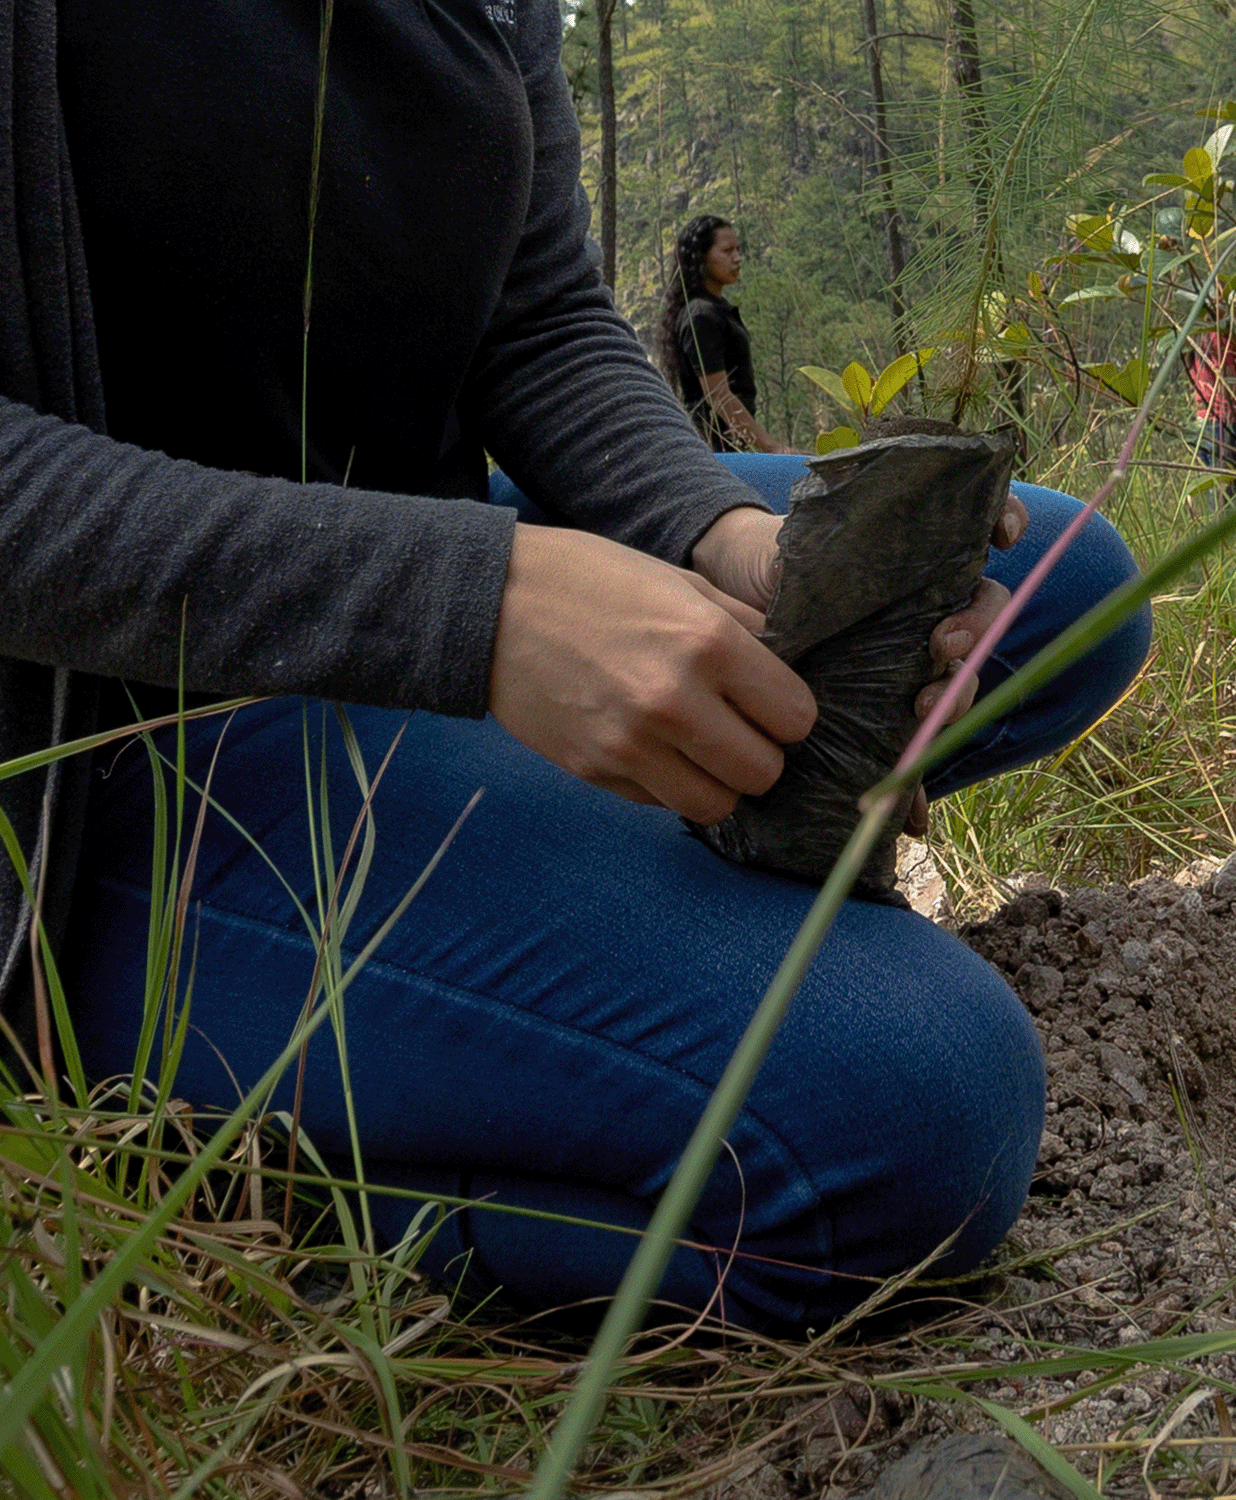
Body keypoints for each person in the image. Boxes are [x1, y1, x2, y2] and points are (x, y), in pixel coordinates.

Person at [0, 0, 1150, 1334]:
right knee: (908, 1107)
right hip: (90, 741)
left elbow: (537, 315)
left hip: (417, 557)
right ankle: (263, 1181)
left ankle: (591, 871)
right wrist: (476, 614)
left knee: (1059, 596)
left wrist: (721, 543)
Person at [656, 214, 793, 454]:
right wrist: (772, 448)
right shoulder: (700, 316)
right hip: (716, 451)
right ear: (701, 257)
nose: (738, 259)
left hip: (730, 447)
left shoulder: (716, 309)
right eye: (727, 251)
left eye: (738, 250)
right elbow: (717, 394)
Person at [1186, 329, 1236, 480]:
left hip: (1202, 421)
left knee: (1216, 485)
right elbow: (1228, 388)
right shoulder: (1220, 340)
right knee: (1229, 483)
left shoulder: (1198, 339)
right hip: (1225, 421)